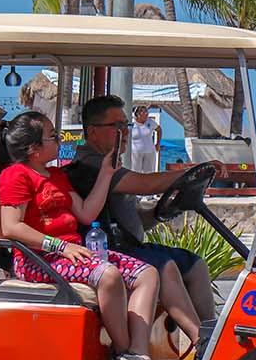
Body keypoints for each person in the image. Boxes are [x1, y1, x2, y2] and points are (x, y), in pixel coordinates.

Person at [0, 111, 165, 360]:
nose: (59, 140)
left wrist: (106, 174)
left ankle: (139, 352)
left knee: (148, 274)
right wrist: (59, 246)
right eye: (53, 136)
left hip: (70, 252)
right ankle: (122, 350)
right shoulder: (16, 175)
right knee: (108, 275)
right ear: (33, 149)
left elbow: (86, 213)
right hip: (37, 258)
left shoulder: (55, 175)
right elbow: (11, 227)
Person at [64, 95, 214, 346]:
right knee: (164, 266)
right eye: (117, 127)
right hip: (103, 249)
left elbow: (132, 220)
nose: (124, 133)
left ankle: (211, 334)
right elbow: (144, 184)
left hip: (127, 244)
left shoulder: (110, 164)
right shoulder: (91, 164)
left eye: (126, 126)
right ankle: (201, 341)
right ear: (93, 132)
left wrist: (158, 212)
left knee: (195, 264)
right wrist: (190, 172)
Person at [129, 105, 162, 173]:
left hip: (150, 151)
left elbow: (159, 130)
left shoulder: (150, 122)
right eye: (144, 113)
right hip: (135, 153)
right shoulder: (132, 123)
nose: (146, 115)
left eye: (147, 113)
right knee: (135, 172)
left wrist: (158, 143)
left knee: (149, 173)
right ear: (138, 114)